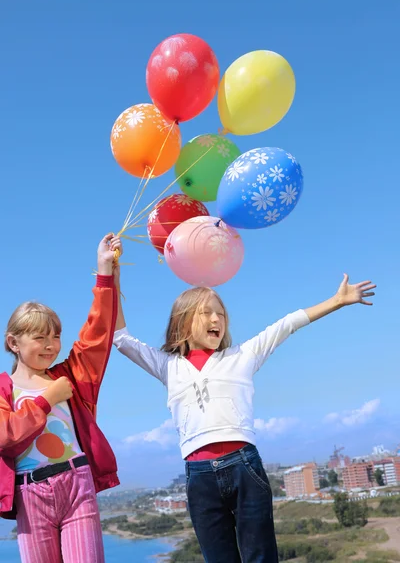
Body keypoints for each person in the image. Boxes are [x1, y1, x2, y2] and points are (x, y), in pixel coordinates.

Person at [113, 270, 375, 563]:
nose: (217, 320)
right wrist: (112, 278)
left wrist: (337, 301)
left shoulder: (241, 356)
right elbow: (121, 339)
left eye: (221, 314)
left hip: (244, 468)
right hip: (199, 480)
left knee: (260, 558)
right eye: (207, 313)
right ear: (182, 322)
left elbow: (286, 325)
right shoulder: (167, 366)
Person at [0, 233, 122, 563]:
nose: (52, 345)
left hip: (77, 483)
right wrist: (46, 399)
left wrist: (104, 272)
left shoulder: (71, 375)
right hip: (30, 494)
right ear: (14, 342)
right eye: (40, 337)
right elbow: (5, 437)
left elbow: (97, 334)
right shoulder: (3, 389)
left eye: (55, 336)